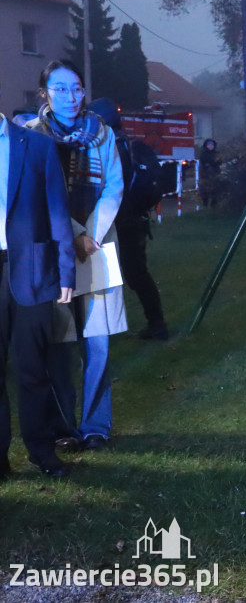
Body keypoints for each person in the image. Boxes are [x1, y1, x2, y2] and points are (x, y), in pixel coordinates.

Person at [26, 60, 127, 450]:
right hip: (55, 248)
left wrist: (93, 234)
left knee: (98, 341)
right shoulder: (32, 136)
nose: (72, 96)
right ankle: (63, 427)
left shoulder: (102, 134)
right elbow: (36, 194)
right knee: (60, 341)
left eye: (78, 88)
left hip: (99, 248)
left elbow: (114, 186)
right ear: (45, 93)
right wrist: (75, 235)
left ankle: (96, 426)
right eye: (61, 88)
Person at [0, 76, 76, 479]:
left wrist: (65, 270)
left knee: (33, 369)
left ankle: (41, 450)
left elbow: (58, 213)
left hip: (32, 271)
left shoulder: (38, 147)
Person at [89, 99, 169, 339]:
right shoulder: (132, 145)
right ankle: (157, 324)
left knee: (102, 279)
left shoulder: (106, 145)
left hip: (112, 221)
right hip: (133, 220)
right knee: (137, 274)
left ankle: (102, 332)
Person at [199, 138, 220, 208]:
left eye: (212, 145)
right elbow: (204, 163)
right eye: (209, 145)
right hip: (205, 175)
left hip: (215, 174)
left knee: (215, 190)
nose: (210, 146)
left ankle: (214, 205)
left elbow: (218, 162)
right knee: (205, 191)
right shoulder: (203, 154)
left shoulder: (216, 154)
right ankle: (205, 205)